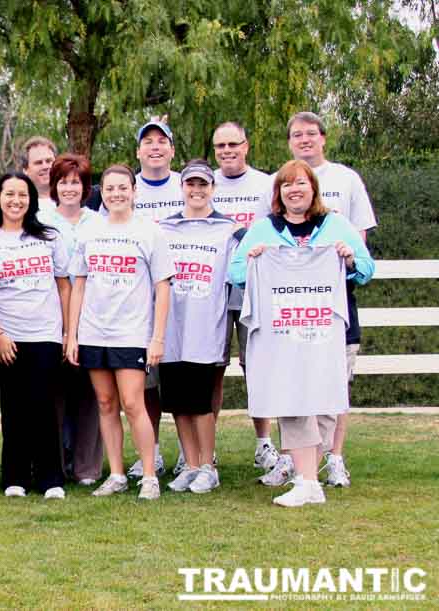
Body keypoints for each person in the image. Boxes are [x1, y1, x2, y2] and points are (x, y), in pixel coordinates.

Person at [229, 159, 374, 506]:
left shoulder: (336, 224)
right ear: (278, 193)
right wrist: (252, 258)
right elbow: (236, 272)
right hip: (281, 334)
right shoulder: (265, 227)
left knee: (323, 401)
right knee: (291, 399)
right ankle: (308, 479)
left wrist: (349, 258)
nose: (294, 190)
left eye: (301, 184)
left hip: (322, 332)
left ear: (314, 189)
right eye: (286, 185)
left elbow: (367, 268)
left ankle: (306, 474)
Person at [66, 164, 174, 501]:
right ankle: (115, 474)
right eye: (110, 189)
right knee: (105, 402)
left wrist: (157, 337)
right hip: (94, 332)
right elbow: (79, 286)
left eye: (122, 188)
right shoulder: (89, 232)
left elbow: (163, 287)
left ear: (134, 191)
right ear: (103, 193)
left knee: (133, 403)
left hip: (131, 333)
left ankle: (149, 476)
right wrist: (73, 335)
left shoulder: (149, 232)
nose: (116, 194)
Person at [287, 111, 378, 488]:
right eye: (297, 135)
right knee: (295, 385)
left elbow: (362, 251)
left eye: (311, 133)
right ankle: (299, 461)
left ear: (323, 138)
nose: (305, 139)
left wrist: (350, 262)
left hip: (337, 301)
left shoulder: (346, 179)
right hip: (293, 306)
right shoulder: (283, 180)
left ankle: (334, 457)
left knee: (336, 384)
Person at [0, 173, 70, 499]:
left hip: (45, 334)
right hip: (7, 336)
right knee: (14, 405)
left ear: (31, 199)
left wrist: (67, 333)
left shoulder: (49, 237)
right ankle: (15, 477)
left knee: (44, 405)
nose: (16, 200)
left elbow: (64, 285)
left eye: (22, 194)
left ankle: (51, 479)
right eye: (9, 194)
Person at [158, 160, 243, 494]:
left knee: (201, 402)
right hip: (171, 328)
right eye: (191, 184)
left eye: (203, 185)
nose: (196, 190)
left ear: (213, 188)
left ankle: (209, 466)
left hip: (207, 328)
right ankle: (191, 465)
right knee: (178, 403)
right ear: (182, 188)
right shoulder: (163, 229)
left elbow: (238, 278)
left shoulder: (229, 231)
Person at [107, 120, 181, 479]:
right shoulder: (105, 217)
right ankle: (150, 455)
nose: (155, 147)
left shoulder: (187, 185)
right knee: (142, 391)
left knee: (187, 381)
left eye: (161, 141)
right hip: (129, 316)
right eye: (147, 141)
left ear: (171, 149)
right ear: (137, 151)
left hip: (185, 301)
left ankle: (193, 454)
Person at [210, 122, 278, 473]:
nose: (226, 151)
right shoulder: (204, 183)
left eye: (232, 144)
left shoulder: (266, 184)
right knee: (212, 369)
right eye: (220, 146)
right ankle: (206, 447)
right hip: (213, 292)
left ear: (246, 146)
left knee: (258, 367)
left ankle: (263, 443)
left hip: (256, 290)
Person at [39, 153, 104, 486]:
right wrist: (66, 329)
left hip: (94, 317)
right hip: (52, 317)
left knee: (91, 397)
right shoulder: (41, 221)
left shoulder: (99, 221)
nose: (69, 188)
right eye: (63, 181)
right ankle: (56, 465)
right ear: (54, 186)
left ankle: (88, 468)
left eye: (75, 182)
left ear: (85, 187)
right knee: (56, 396)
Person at [19, 136, 58, 213]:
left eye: (49, 161)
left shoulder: (77, 199)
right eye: (38, 163)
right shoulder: (19, 206)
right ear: (25, 170)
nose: (45, 166)